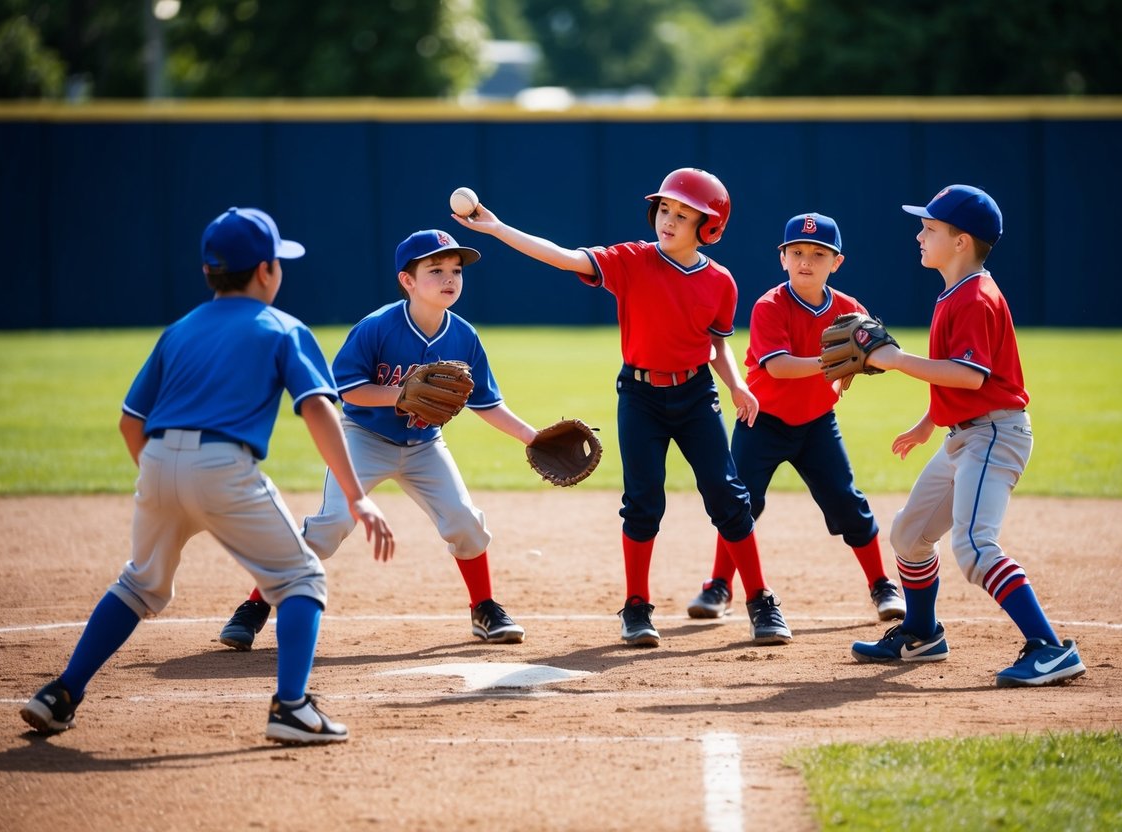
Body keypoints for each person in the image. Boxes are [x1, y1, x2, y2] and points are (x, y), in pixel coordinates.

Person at [21, 207, 394, 745]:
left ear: (207, 272)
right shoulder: (282, 327)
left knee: (139, 584)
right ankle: (291, 708)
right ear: (266, 271)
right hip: (223, 467)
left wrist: (163, 480)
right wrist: (358, 498)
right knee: (301, 581)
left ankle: (60, 693)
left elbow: (131, 421)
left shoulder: (179, 330)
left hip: (156, 463)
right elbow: (318, 409)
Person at [455, 168, 792, 648]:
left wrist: (736, 384)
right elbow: (563, 257)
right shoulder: (631, 260)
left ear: (709, 226)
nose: (668, 219)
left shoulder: (720, 282)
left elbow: (717, 344)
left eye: (683, 213)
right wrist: (498, 228)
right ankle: (636, 607)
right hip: (640, 397)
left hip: (697, 396)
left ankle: (761, 600)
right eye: (665, 209)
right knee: (642, 502)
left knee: (728, 497)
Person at [216, 229, 536, 652]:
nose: (449, 279)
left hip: (425, 445)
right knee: (330, 528)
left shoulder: (464, 336)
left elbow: (487, 402)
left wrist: (533, 437)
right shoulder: (377, 327)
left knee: (465, 521)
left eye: (456, 270)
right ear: (407, 281)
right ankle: (255, 605)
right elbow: (346, 389)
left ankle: (484, 607)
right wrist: (401, 394)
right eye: (435, 269)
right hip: (365, 439)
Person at [849, 185, 1086, 687]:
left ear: (962, 242)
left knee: (975, 547)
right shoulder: (955, 292)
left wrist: (893, 359)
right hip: (965, 437)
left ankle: (1049, 648)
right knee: (909, 535)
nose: (919, 235)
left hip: (995, 435)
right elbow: (956, 378)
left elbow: (972, 377)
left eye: (930, 228)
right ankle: (921, 632)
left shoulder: (976, 296)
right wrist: (928, 422)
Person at [686, 213, 906, 623]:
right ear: (782, 258)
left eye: (819, 253)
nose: (806, 260)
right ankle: (718, 585)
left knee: (847, 502)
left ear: (836, 262)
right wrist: (837, 362)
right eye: (797, 251)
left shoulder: (849, 310)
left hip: (817, 424)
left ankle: (882, 585)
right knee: (739, 505)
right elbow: (779, 367)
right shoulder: (771, 305)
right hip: (762, 423)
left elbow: (873, 351)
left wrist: (858, 366)